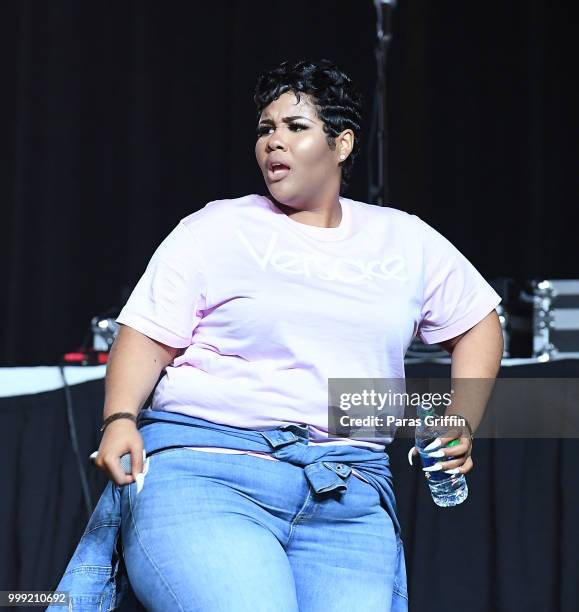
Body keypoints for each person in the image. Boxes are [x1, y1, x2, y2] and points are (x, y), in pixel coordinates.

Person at [55, 59, 504, 612]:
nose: (274, 142)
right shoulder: (218, 227)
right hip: (211, 469)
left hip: (347, 491)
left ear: (341, 145)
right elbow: (147, 335)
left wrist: (461, 420)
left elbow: (479, 322)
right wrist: (120, 416)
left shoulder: (402, 238)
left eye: (295, 127)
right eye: (267, 128)